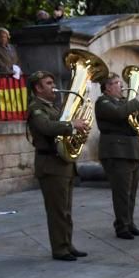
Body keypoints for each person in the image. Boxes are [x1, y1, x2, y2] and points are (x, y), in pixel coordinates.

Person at [26, 70, 89, 261]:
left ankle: (67, 244)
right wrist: (71, 125)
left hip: (62, 163)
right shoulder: (36, 108)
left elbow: (61, 125)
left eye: (52, 82)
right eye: (48, 83)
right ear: (38, 88)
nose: (53, 86)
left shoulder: (53, 107)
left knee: (66, 209)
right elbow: (46, 127)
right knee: (57, 211)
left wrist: (77, 129)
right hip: (50, 164)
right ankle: (60, 248)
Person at [94, 72, 139, 240]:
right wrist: (134, 102)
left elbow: (137, 124)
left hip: (131, 151)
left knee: (131, 192)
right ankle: (121, 226)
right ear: (107, 87)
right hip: (117, 152)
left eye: (120, 83)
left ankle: (129, 222)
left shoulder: (122, 102)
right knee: (121, 192)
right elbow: (119, 114)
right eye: (117, 83)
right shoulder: (103, 102)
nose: (121, 86)